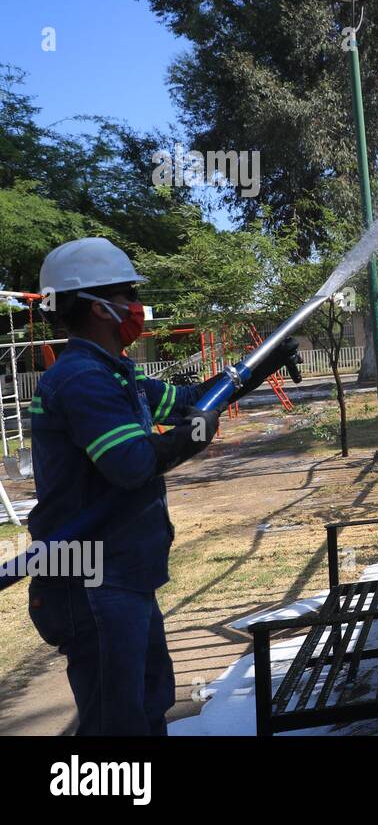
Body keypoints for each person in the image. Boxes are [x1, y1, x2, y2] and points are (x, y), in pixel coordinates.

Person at [25, 237, 298, 735]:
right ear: (99, 307)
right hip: (93, 579)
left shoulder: (115, 375)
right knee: (118, 724)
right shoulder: (82, 379)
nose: (137, 307)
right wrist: (197, 433)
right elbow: (130, 464)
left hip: (123, 572)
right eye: (129, 295)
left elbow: (194, 397)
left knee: (149, 705)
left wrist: (260, 368)